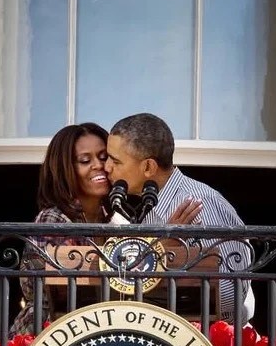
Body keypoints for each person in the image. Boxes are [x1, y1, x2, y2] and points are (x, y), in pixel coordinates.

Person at [104, 112, 255, 322]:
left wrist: (168, 259)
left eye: (115, 161)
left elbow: (233, 296)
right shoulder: (148, 206)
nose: (106, 167)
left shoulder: (197, 202)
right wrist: (162, 249)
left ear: (148, 167)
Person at [10, 122, 111, 336]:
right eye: (85, 160)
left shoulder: (112, 218)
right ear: (65, 169)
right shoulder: (52, 218)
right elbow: (63, 289)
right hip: (48, 335)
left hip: (90, 330)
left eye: (103, 157)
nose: (98, 165)